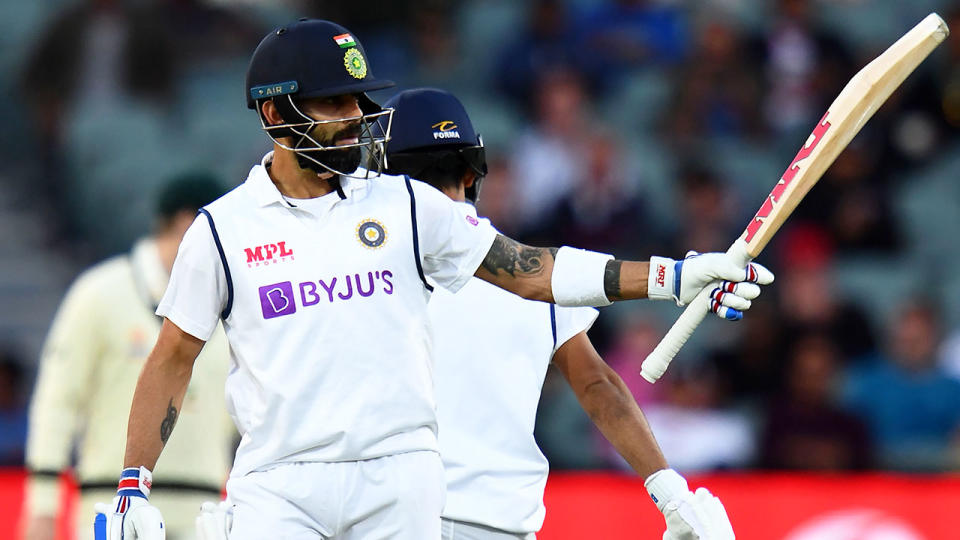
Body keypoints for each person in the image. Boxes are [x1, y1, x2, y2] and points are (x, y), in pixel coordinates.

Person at [96, 19, 772, 540]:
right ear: (276, 113)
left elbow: (533, 272)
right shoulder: (222, 230)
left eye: (356, 102)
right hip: (277, 481)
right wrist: (133, 484)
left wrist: (674, 276)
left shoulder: (406, 207)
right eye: (332, 104)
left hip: (400, 477)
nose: (353, 117)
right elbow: (172, 359)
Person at [381, 87, 742, 540]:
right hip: (499, 525)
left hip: (392, 520)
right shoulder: (537, 275)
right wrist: (671, 494)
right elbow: (598, 385)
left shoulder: (361, 273)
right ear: (473, 175)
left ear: (383, 179)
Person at [23, 173, 233, 540]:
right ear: (189, 222)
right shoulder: (100, 293)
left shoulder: (231, 301)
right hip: (113, 506)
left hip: (206, 512)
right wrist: (42, 504)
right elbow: (57, 401)